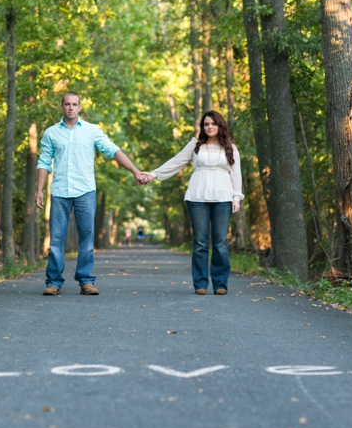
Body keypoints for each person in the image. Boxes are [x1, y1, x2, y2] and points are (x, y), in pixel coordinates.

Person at [36, 92, 145, 296]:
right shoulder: (51, 133)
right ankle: (53, 282)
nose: (70, 107)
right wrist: (39, 190)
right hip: (60, 192)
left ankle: (86, 281)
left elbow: (113, 151)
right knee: (56, 240)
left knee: (87, 238)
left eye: (74, 104)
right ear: (61, 107)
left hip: (85, 191)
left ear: (79, 107)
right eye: (67, 104)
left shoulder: (91, 131)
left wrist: (135, 171)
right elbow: (44, 162)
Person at [139, 111, 243, 296]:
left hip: (223, 198)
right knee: (200, 243)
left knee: (220, 243)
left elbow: (236, 173)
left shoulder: (231, 148)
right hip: (197, 197)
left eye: (213, 124)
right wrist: (154, 174)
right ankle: (200, 284)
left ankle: (220, 284)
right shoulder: (196, 145)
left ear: (220, 126)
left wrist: (236, 197)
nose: (209, 127)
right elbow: (176, 162)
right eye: (206, 124)